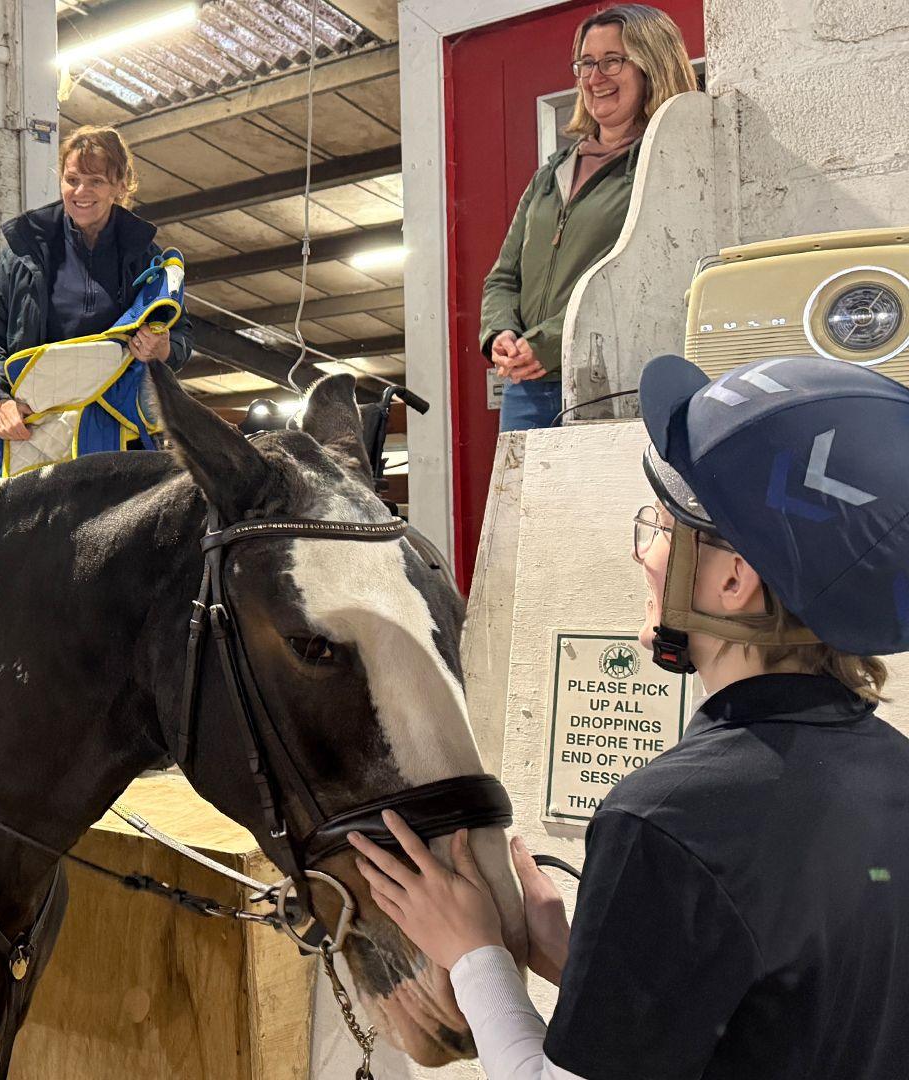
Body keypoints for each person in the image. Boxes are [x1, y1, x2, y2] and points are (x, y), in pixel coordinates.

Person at [351, 353, 909, 1078]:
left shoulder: (669, 820)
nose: (645, 551)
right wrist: (582, 962)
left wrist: (473, 953)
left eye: (665, 526)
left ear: (734, 579)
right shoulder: (890, 768)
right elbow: (790, 1021)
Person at [480, 5, 697, 432]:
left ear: (651, 66)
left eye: (613, 61)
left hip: (613, 381)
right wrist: (500, 335)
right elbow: (503, 277)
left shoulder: (664, 164)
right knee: (530, 500)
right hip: (528, 385)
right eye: (586, 63)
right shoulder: (550, 175)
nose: (595, 78)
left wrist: (547, 343)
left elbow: (647, 279)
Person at [0, 124, 193, 440]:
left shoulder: (147, 257)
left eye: (96, 182)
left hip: (121, 431)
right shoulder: (23, 251)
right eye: (72, 180)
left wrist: (165, 348)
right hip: (36, 425)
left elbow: (181, 332)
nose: (80, 192)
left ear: (120, 185)